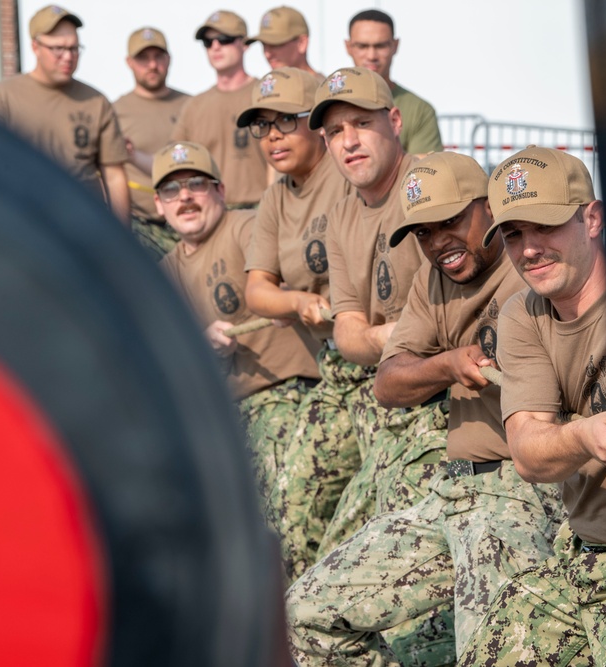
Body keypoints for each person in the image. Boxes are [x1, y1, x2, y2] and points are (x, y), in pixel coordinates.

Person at [287, 151, 564, 664]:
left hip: (519, 491)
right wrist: (448, 364)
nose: (438, 243)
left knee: (489, 651)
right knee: (302, 616)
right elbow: (389, 382)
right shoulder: (432, 279)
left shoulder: (535, 269)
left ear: (488, 207)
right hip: (450, 490)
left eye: (451, 222)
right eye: (423, 232)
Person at [457, 146, 606, 666]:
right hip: (584, 558)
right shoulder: (525, 311)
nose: (529, 250)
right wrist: (585, 436)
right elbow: (528, 451)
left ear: (592, 218)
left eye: (544, 226)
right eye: (514, 235)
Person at [307, 66, 455, 665]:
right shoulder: (342, 211)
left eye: (362, 124)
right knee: (321, 581)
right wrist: (391, 335)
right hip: (390, 406)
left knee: (413, 605)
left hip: (450, 407)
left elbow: (452, 317)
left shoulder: (430, 186)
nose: (349, 141)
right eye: (336, 131)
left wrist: (385, 334)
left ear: (395, 123)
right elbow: (347, 333)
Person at [152, 140, 322, 520]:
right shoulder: (164, 273)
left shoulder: (247, 229)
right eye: (171, 190)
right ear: (158, 206)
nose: (185, 198)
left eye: (196, 184)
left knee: (279, 519)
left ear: (220, 191)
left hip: (287, 394)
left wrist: (281, 299)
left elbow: (284, 284)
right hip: (227, 415)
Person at [234, 67, 357, 584]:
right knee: (291, 511)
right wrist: (298, 300)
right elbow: (256, 289)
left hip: (385, 364)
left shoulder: (350, 172)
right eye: (261, 126)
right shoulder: (277, 197)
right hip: (336, 371)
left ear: (319, 124)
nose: (273, 137)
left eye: (286, 120)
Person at [0, 5, 129, 221]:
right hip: (24, 223)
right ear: (35, 47)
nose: (68, 57)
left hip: (85, 226)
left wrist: (121, 236)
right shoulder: (2, 98)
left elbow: (114, 176)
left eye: (74, 49)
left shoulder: (96, 102)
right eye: (58, 49)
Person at [170, 10, 270, 209]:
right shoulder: (194, 106)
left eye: (224, 39)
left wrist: (273, 209)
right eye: (208, 42)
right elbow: (173, 161)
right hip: (211, 212)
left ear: (244, 44)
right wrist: (130, 154)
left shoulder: (266, 95)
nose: (215, 46)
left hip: (261, 209)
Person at [113, 27, 191, 260]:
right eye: (143, 58)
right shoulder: (113, 112)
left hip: (190, 223)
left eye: (158, 57)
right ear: (129, 62)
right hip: (141, 227)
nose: (152, 65)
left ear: (169, 59)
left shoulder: (191, 106)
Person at [345, 9, 442, 155]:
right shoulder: (326, 104)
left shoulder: (419, 111)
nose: (371, 55)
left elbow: (426, 171)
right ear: (348, 47)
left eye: (380, 46)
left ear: (395, 46)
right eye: (362, 46)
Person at [248, 6, 322, 79]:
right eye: (264, 45)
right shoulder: (264, 89)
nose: (267, 54)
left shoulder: (324, 90)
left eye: (275, 44)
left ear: (302, 43)